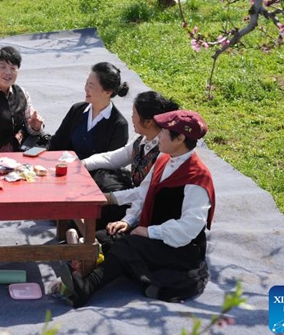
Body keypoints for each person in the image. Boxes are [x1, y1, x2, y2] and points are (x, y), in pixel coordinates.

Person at [56, 110, 215, 307]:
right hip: (154, 232)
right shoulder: (164, 159)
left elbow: (189, 228)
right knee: (107, 236)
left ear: (180, 138)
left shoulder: (197, 179)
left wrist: (149, 232)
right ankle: (79, 270)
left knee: (126, 246)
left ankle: (85, 287)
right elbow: (144, 194)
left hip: (179, 248)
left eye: (164, 132)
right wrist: (127, 221)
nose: (159, 136)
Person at [81, 91, 179, 228]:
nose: (131, 118)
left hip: (146, 207)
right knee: (101, 173)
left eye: (134, 114)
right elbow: (113, 158)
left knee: (104, 210)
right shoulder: (142, 140)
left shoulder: (164, 152)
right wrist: (82, 164)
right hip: (133, 198)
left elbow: (144, 193)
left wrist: (111, 198)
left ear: (148, 122)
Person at [47, 61, 129, 160]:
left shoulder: (118, 125)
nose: (86, 88)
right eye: (86, 83)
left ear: (107, 92)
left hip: (94, 175)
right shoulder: (77, 110)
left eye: (91, 86)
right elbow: (56, 143)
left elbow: (111, 164)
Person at [0, 46, 45, 152]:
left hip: (19, 153)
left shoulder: (22, 93)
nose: (8, 72)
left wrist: (35, 127)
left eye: (13, 68)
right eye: (3, 67)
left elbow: (32, 131)